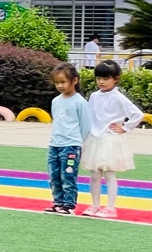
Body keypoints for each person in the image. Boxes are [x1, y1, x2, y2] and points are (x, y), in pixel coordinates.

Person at [82, 59, 145, 219]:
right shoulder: (94, 96)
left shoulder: (118, 97)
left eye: (105, 78)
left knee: (109, 174)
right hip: (94, 138)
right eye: (98, 78)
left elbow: (137, 114)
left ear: (115, 79)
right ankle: (95, 205)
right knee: (95, 175)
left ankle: (110, 207)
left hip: (110, 139)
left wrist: (124, 128)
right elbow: (89, 115)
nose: (101, 82)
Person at [45, 62, 88, 215]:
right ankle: (57, 203)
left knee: (68, 175)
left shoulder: (80, 102)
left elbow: (85, 125)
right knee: (54, 176)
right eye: (57, 82)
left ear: (74, 81)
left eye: (63, 82)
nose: (60, 86)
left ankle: (69, 205)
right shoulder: (56, 101)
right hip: (55, 145)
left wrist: (79, 143)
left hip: (71, 146)